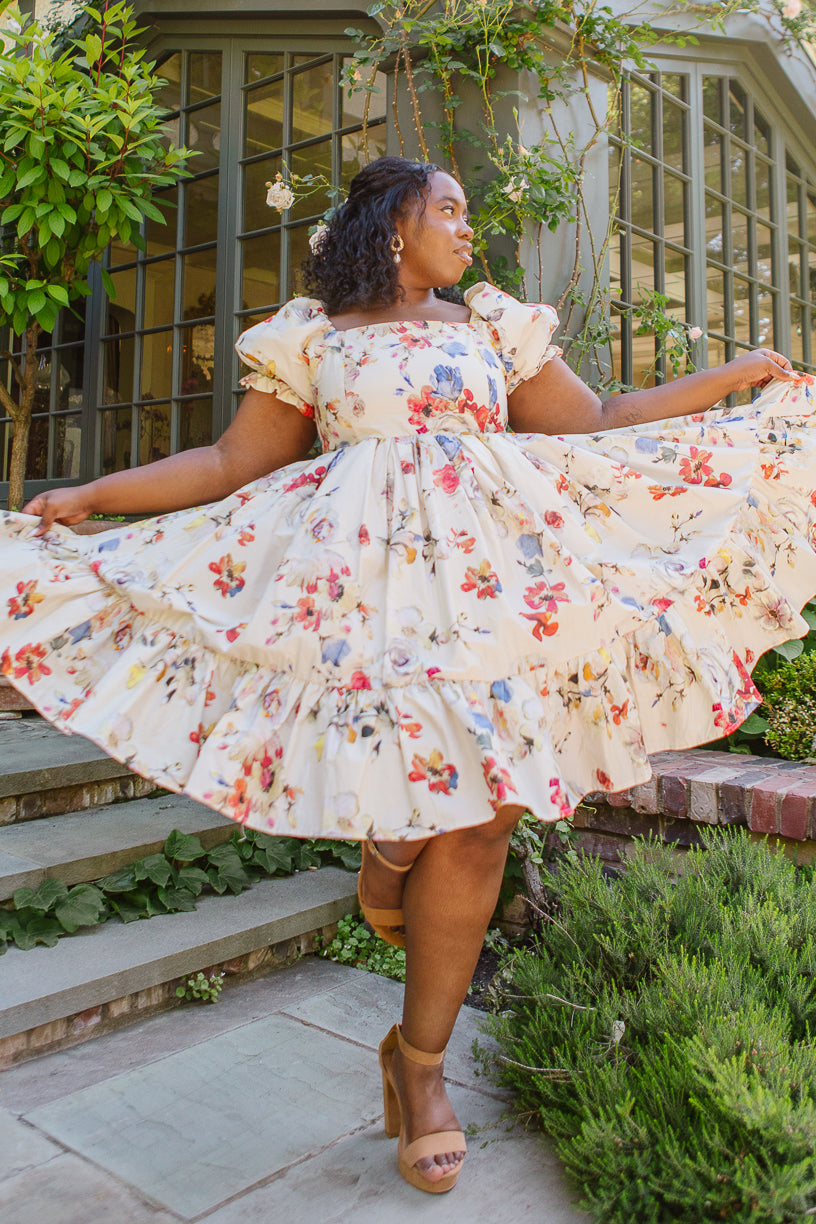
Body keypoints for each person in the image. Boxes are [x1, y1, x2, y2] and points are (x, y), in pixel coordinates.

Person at [3, 155, 816, 1194]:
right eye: (451, 211)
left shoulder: (490, 325)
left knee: (485, 816)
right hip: (356, 603)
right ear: (394, 226)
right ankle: (391, 852)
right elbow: (224, 468)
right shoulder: (310, 338)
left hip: (495, 591)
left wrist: (732, 377)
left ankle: (419, 1066)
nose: (469, 231)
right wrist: (97, 494)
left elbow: (599, 420)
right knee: (436, 787)